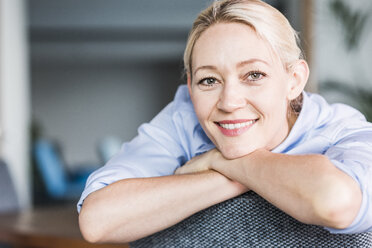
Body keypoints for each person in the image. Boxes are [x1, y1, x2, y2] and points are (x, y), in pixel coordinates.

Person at [78, 0, 372, 243]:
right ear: (191, 86)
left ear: (294, 80)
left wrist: (221, 162)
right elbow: (97, 221)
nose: (229, 102)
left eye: (254, 75)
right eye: (209, 80)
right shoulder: (185, 118)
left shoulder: (344, 132)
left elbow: (336, 202)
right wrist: (245, 177)